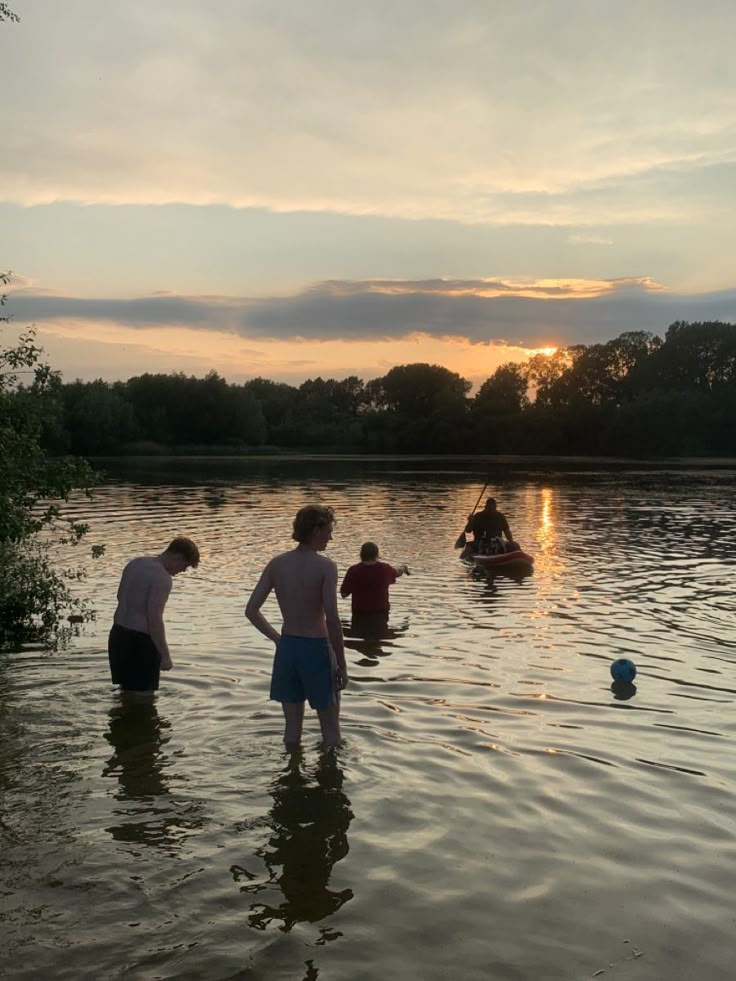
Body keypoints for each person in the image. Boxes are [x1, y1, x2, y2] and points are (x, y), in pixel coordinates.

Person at [245, 504, 348, 749]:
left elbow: (251, 611)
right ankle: (331, 784)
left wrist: (278, 639)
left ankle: (291, 779)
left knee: (291, 733)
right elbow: (332, 619)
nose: (330, 538)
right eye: (328, 531)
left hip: (288, 649)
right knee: (331, 734)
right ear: (315, 529)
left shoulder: (277, 564)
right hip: (317, 650)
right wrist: (342, 664)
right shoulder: (325, 566)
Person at [108, 537, 200, 697]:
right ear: (177, 557)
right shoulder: (162, 578)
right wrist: (165, 656)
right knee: (144, 700)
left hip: (118, 636)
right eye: (184, 566)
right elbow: (154, 618)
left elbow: (119, 596)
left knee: (126, 693)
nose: (182, 571)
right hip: (140, 643)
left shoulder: (135, 563)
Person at [340, 542, 409, 615]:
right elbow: (397, 573)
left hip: (360, 613)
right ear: (377, 555)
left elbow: (343, 594)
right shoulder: (385, 569)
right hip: (380, 613)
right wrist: (403, 568)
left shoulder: (353, 570)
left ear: (361, 555)